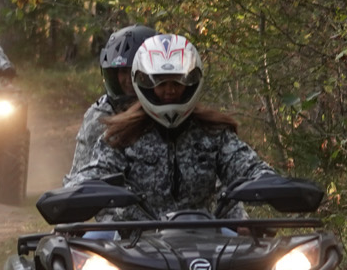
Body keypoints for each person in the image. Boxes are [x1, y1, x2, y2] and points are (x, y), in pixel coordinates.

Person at [65, 33, 276, 216]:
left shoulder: (213, 133)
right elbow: (95, 173)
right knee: (74, 251)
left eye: (177, 82)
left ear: (191, 81)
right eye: (161, 83)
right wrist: (78, 191)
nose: (170, 90)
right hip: (133, 244)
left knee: (268, 254)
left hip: (207, 239)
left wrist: (271, 185)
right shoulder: (122, 135)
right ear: (145, 83)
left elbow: (248, 168)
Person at [64, 24, 155, 185]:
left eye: (136, 71)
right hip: (112, 205)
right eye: (123, 72)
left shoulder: (169, 112)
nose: (129, 80)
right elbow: (79, 176)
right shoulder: (99, 116)